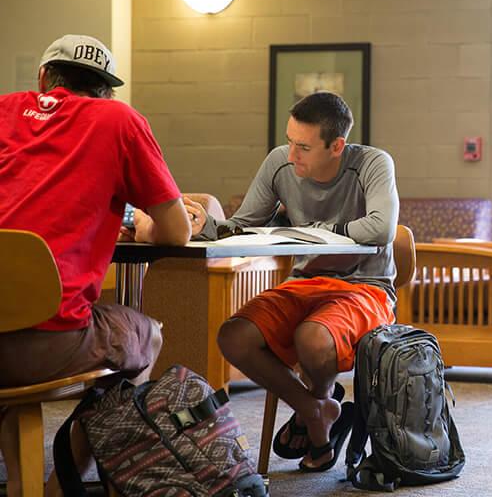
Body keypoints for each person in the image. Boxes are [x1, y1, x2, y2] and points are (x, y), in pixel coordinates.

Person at [0, 34, 201, 497]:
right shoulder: (117, 119)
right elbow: (175, 232)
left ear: (44, 78)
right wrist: (150, 219)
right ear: (106, 91)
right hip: (46, 344)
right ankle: (57, 485)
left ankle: (19, 483)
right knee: (147, 333)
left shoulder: (7, 109)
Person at [198, 91, 399, 473]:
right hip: (303, 281)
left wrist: (319, 229)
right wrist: (206, 226)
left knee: (314, 337)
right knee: (233, 335)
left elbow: (381, 228)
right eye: (290, 141)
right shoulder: (279, 161)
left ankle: (320, 413)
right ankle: (316, 410)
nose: (291, 155)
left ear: (336, 146)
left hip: (366, 285)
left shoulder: (372, 163)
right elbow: (246, 223)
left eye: (303, 147)